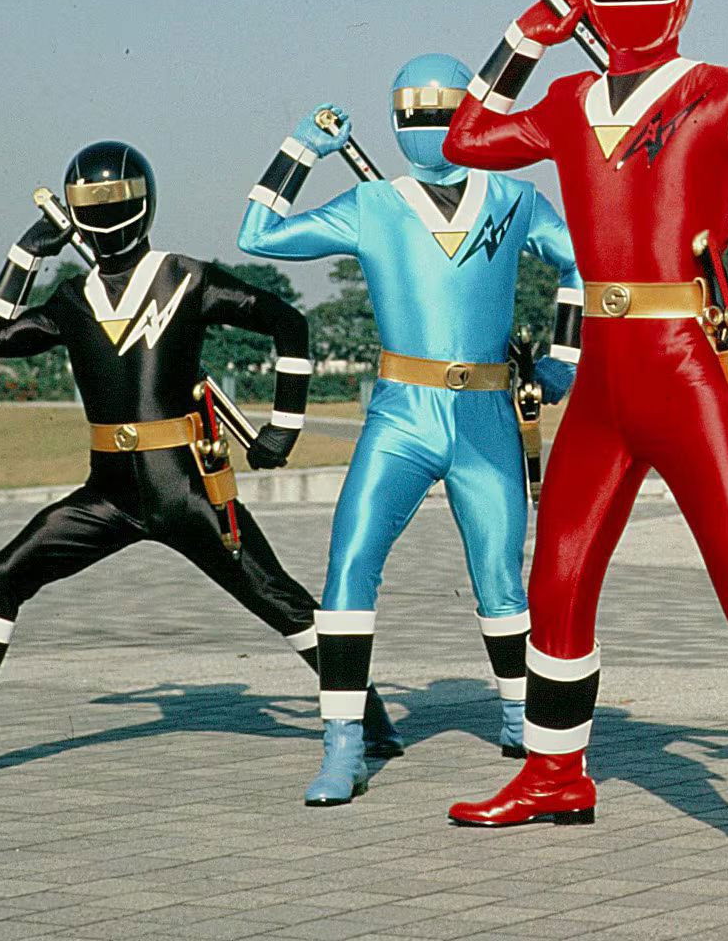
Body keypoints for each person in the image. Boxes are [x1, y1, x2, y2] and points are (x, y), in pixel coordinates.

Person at [438, 0, 728, 906]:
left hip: (687, 366)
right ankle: (555, 771)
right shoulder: (570, 100)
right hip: (604, 373)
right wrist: (522, 37)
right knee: (557, 577)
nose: (628, 1)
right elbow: (465, 139)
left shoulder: (725, 93)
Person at [0, 141, 396, 792]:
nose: (104, 215)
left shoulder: (188, 279)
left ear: (143, 204)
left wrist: (283, 427)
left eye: (113, 200)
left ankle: (365, 709)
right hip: (107, 494)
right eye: (91, 203)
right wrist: (27, 250)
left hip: (186, 490)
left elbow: (287, 322)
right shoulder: (74, 298)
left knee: (280, 601)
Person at [238, 53, 581, 806]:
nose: (428, 125)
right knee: (349, 567)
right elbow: (255, 235)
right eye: (415, 113)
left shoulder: (514, 196)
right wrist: (300, 149)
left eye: (441, 112)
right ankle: (343, 743)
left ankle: (521, 718)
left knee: (500, 577)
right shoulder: (374, 204)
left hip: (485, 412)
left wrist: (564, 359)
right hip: (403, 414)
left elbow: (581, 263)